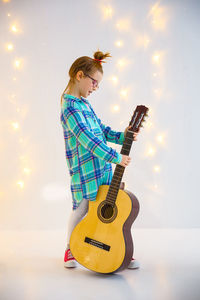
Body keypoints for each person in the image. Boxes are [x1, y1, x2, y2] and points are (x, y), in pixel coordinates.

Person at [60, 50, 140, 270]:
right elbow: (88, 140)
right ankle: (70, 248)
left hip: (101, 166)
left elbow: (100, 131)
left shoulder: (85, 104)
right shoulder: (70, 108)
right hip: (84, 170)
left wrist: (122, 137)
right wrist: (116, 157)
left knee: (107, 207)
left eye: (98, 84)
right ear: (79, 76)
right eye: (94, 82)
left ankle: (117, 249)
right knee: (82, 208)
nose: (95, 87)